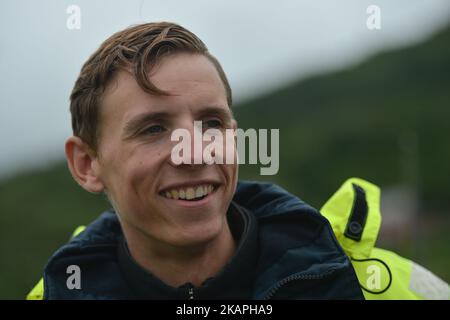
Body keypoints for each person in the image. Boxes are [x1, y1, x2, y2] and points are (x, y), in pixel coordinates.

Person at [26, 22, 448, 300]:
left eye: (212, 122)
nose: (196, 151)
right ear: (86, 164)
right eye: (154, 129)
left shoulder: (385, 289)